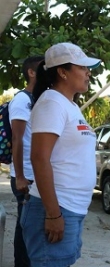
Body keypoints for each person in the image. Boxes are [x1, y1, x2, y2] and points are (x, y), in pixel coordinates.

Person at [20, 42, 101, 267]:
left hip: (72, 208)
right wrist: (54, 214)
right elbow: (39, 158)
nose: (88, 72)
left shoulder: (70, 105)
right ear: (62, 72)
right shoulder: (52, 102)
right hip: (57, 208)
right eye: (82, 67)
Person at [9, 55, 44, 267]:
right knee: (25, 227)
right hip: (26, 176)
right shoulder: (22, 100)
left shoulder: (41, 98)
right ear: (31, 72)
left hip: (35, 174)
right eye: (43, 68)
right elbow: (17, 139)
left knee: (30, 226)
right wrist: (20, 177)